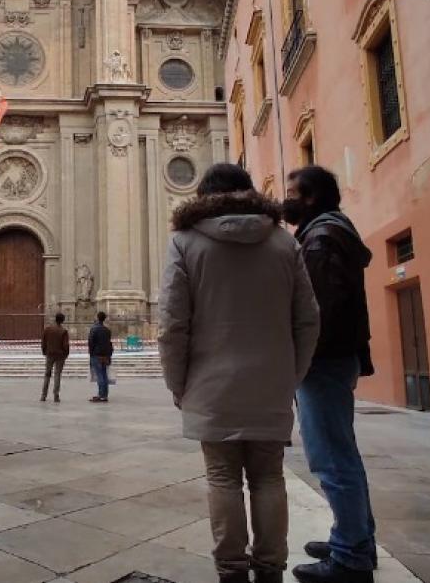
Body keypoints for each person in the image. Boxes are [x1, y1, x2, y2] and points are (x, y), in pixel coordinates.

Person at [159, 163, 320, 583]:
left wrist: (178, 383)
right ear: (248, 192)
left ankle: (231, 571)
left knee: (222, 478)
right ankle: (270, 570)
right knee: (269, 477)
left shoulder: (184, 243)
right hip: (271, 383)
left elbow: (173, 324)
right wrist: (291, 375)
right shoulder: (285, 243)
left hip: (209, 385)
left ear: (203, 197)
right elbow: (308, 319)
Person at [283, 166, 377, 583]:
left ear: (312, 198)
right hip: (335, 358)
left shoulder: (319, 241)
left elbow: (317, 312)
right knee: (341, 455)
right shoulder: (329, 231)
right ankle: (354, 537)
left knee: (331, 459)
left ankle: (351, 557)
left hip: (322, 362)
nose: (285, 199)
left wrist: (300, 359)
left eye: (292, 193)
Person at [40, 312, 70, 403]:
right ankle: (56, 395)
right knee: (57, 375)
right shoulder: (63, 331)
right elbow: (66, 345)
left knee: (47, 374)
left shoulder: (47, 329)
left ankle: (43, 395)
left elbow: (43, 342)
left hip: (49, 354)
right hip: (60, 355)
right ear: (62, 320)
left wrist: (44, 351)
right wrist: (66, 354)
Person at [87, 311, 113, 402]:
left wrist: (91, 353)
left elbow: (91, 342)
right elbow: (109, 343)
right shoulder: (107, 330)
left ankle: (101, 395)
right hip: (105, 355)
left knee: (99, 375)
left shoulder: (94, 329)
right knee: (104, 374)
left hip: (96, 355)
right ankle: (105, 395)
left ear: (97, 318)